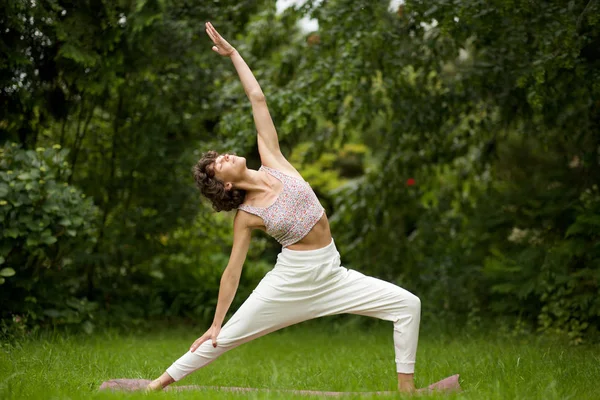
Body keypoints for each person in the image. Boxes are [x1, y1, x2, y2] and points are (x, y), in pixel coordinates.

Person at [147, 21, 422, 393]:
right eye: (220, 162)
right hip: (292, 279)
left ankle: (407, 392)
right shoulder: (247, 216)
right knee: (225, 337)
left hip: (332, 271)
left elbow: (257, 99)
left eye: (221, 155)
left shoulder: (272, 159)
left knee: (408, 305)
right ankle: (156, 385)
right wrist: (215, 322)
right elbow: (232, 271)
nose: (225, 155)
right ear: (225, 184)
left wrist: (234, 55)